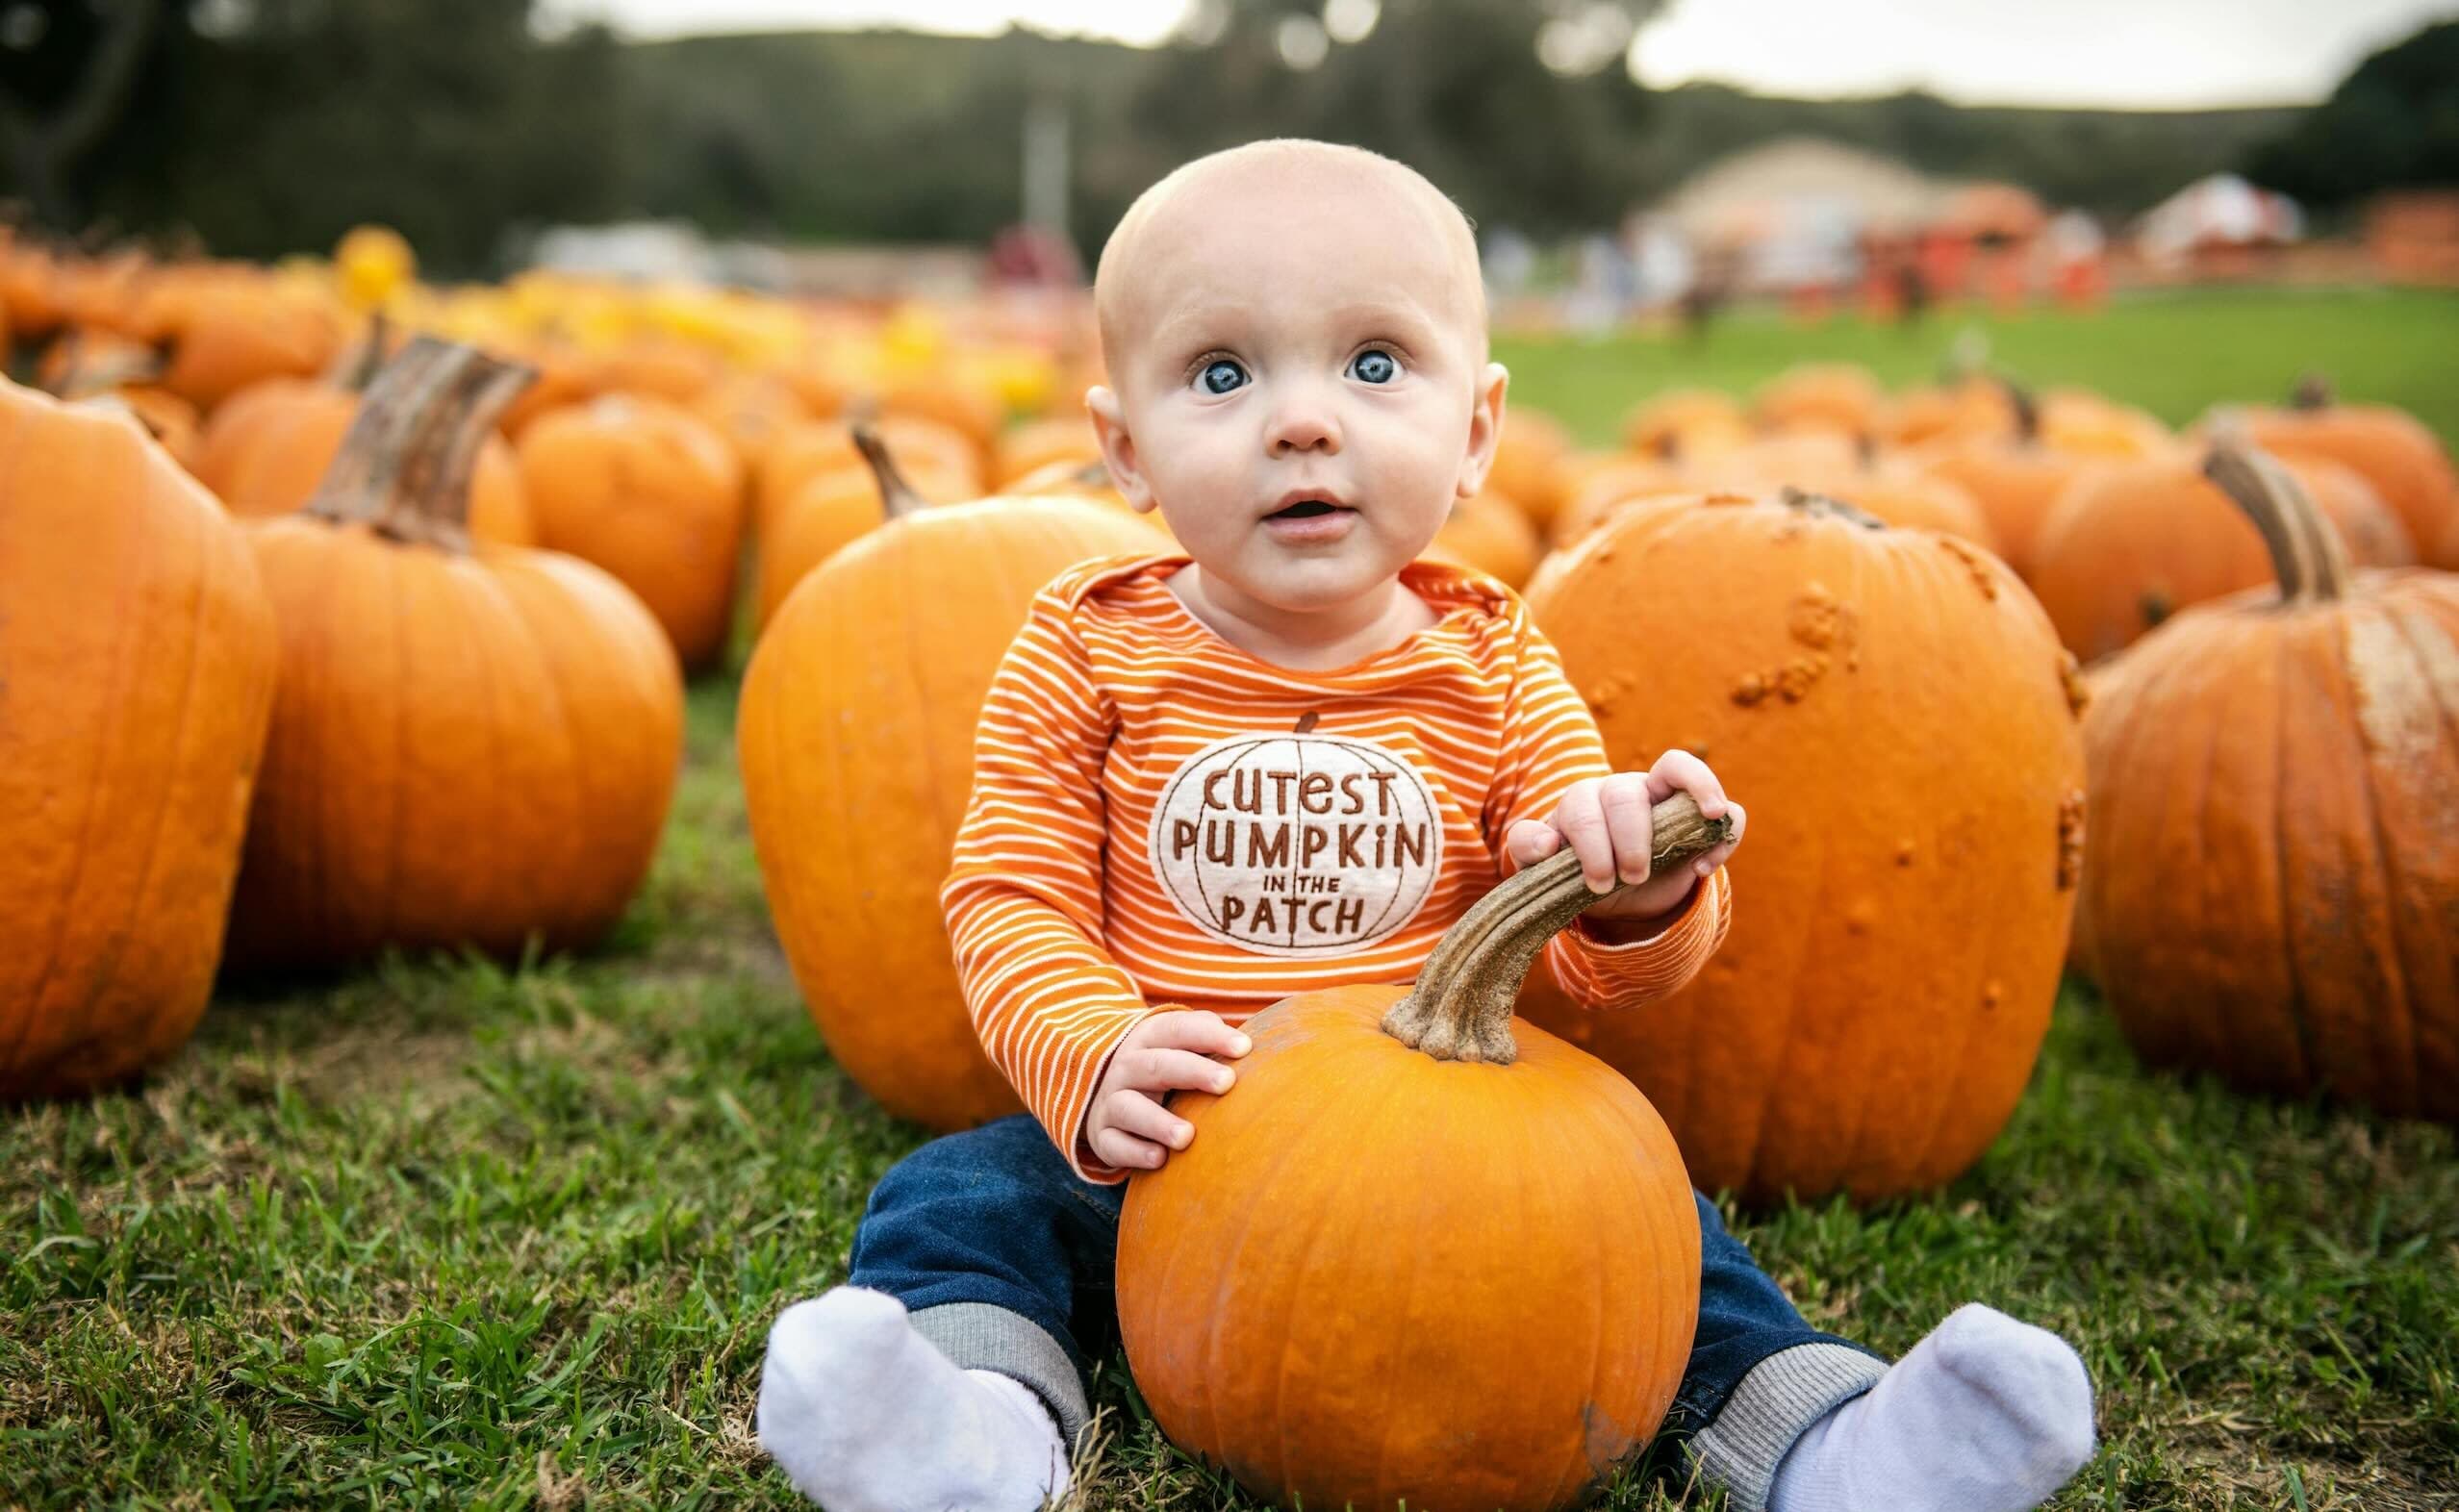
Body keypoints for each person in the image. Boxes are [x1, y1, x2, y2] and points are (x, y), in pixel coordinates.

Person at [754, 139, 2096, 1512]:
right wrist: (1092, 1056)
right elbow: (1010, 895)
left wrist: (1636, 889)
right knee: (960, 1199)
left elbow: (1587, 956)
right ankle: (979, 1432)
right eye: (1220, 375)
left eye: (1374, 363)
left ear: (1476, 434)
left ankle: (1829, 1442)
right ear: (1125, 451)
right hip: (1166, 1145)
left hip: (1450, 1169)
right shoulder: (1084, 647)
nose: (1302, 422)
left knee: (1663, 1239)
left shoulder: (1496, 666)